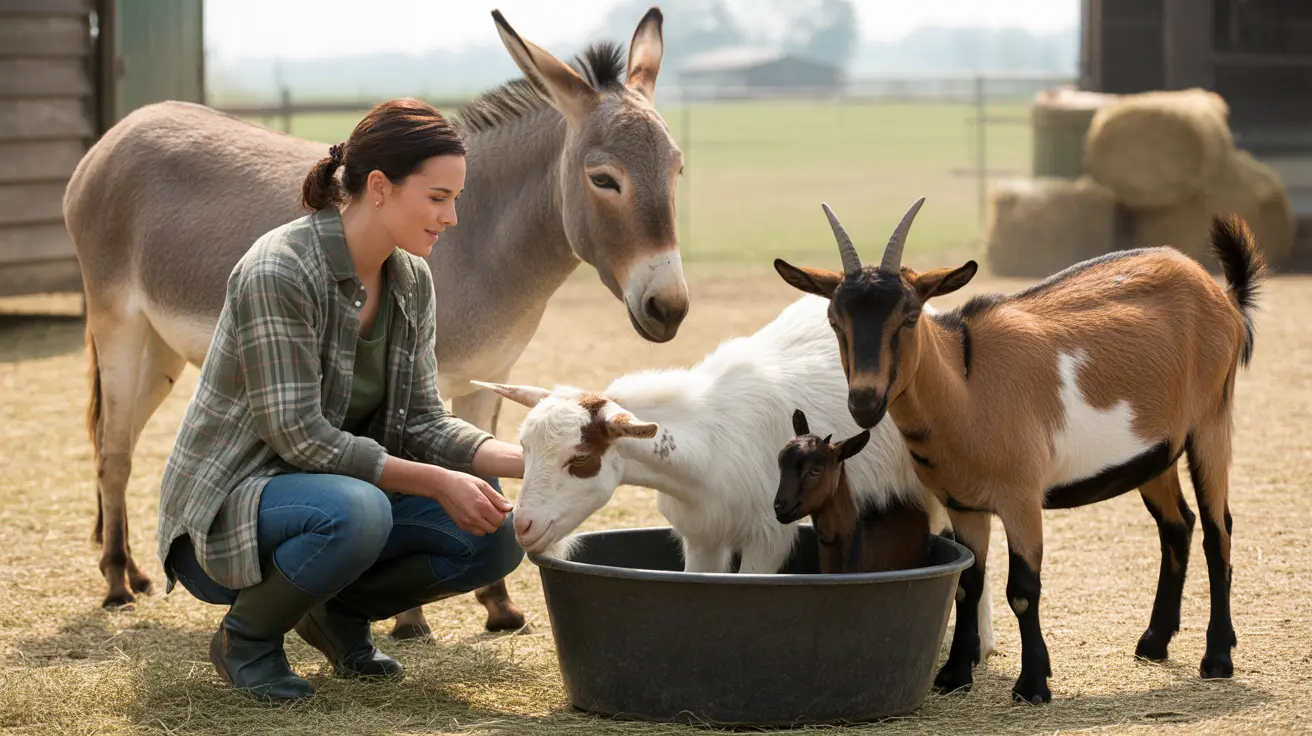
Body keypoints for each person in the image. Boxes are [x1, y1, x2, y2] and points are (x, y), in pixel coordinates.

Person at [155, 98, 525, 703]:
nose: (452, 217)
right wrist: (438, 481)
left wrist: (530, 458)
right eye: (438, 197)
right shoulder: (279, 269)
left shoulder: (411, 279)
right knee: (360, 509)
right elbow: (298, 434)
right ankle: (246, 640)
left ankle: (334, 616)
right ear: (379, 187)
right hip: (231, 510)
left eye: (456, 198)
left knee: (494, 531)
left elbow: (424, 419)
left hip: (337, 502)